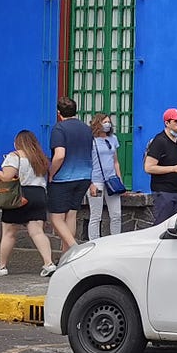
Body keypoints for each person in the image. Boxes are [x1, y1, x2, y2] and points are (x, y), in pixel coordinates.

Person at [0, 130, 56, 276]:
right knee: (37, 232)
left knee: (9, 232)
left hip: (18, 196)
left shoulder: (14, 156)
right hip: (38, 195)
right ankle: (49, 263)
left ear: (18, 142)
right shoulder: (40, 158)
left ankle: (2, 266)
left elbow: (6, 178)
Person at [47, 96, 95, 258]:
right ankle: (66, 256)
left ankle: (74, 248)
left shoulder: (59, 129)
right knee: (71, 215)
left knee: (56, 218)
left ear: (58, 113)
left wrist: (52, 172)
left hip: (64, 177)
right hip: (84, 176)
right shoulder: (86, 128)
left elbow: (60, 155)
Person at [144, 107, 177, 223]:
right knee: (163, 224)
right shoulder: (159, 141)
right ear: (167, 123)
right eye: (176, 121)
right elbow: (148, 167)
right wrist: (173, 168)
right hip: (163, 191)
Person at [86, 112, 124, 240]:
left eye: (109, 122)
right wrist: (90, 183)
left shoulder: (113, 139)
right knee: (96, 215)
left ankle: (115, 240)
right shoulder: (91, 141)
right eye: (104, 122)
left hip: (112, 180)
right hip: (96, 181)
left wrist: (119, 178)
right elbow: (87, 163)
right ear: (98, 124)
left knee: (116, 214)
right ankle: (94, 241)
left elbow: (115, 161)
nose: (107, 124)